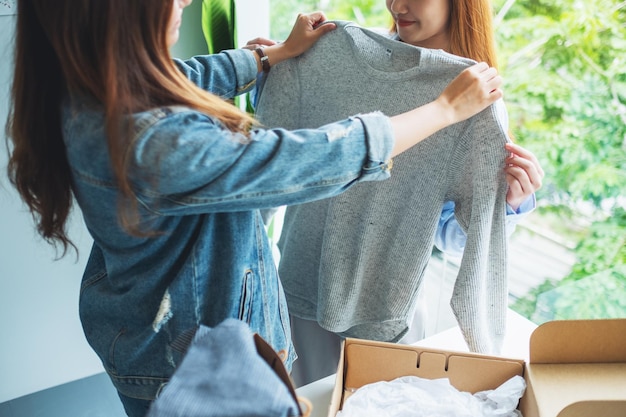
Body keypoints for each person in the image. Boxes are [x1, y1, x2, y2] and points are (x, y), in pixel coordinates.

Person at [5, 0, 503, 415]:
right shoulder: (155, 143)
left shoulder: (89, 86)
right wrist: (443, 111)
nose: (183, 1)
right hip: (192, 364)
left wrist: (273, 57)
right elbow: (301, 161)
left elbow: (181, 75)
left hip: (142, 330)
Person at [252, 0, 544, 387]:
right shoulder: (332, 54)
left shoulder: (475, 97)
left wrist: (508, 204)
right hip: (295, 290)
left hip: (388, 316)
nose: (396, 5)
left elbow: (453, 239)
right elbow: (281, 158)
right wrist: (274, 73)